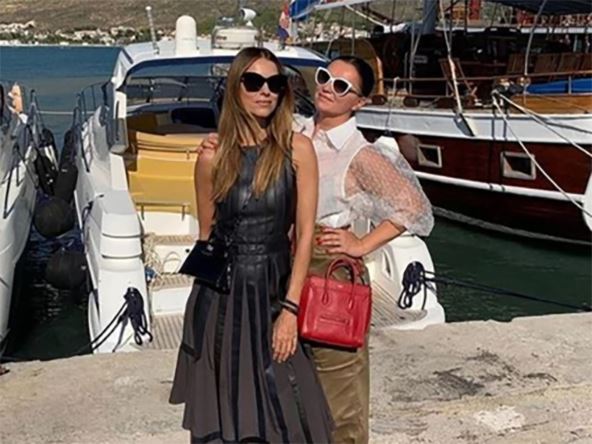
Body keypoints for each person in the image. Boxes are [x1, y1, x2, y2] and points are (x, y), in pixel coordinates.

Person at [200, 55, 434, 444]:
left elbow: (415, 208)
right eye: (325, 77)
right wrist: (218, 142)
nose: (328, 87)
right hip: (281, 264)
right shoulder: (295, 131)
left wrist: (361, 244)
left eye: (342, 86)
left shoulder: (359, 153)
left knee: (337, 394)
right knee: (290, 386)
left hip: (327, 269)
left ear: (359, 102)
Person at [170, 47, 333, 443]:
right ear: (235, 87)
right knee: (228, 404)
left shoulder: (298, 148)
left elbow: (304, 234)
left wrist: (291, 310)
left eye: (275, 83)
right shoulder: (212, 157)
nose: (266, 92)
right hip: (221, 298)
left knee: (290, 404)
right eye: (254, 82)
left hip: (274, 290)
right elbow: (207, 235)